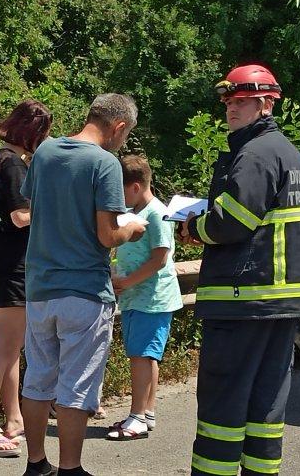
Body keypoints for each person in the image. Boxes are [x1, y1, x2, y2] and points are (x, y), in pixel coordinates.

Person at [179, 65, 300, 476]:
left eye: (240, 101)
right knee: (265, 405)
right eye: (227, 102)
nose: (231, 109)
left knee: (224, 403)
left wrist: (192, 227)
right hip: (281, 303)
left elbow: (231, 222)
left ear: (265, 103)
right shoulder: (288, 152)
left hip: (244, 299)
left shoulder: (254, 154)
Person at [19, 93, 146, 476]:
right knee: (77, 384)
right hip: (85, 292)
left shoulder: (44, 153)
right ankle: (70, 468)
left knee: (38, 380)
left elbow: (34, 209)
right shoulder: (104, 163)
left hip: (40, 288)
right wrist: (132, 229)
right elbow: (107, 235)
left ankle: (36, 463)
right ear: (118, 127)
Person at [0, 99, 53, 458]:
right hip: (13, 262)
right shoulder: (15, 166)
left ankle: (15, 418)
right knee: (4, 347)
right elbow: (22, 216)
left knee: (11, 346)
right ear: (33, 133)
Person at [106, 155, 183, 441]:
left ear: (136, 187)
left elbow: (160, 258)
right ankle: (146, 412)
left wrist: (126, 281)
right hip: (140, 298)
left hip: (151, 298)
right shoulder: (136, 211)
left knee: (141, 356)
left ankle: (137, 416)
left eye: (121, 190)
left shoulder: (156, 213)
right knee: (147, 355)